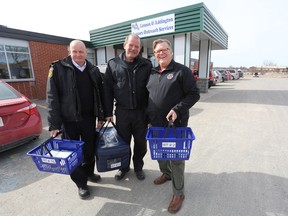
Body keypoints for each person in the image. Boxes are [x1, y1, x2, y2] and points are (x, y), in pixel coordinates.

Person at [146, 38, 200, 213]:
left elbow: (194, 94)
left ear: (171, 51)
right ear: (154, 54)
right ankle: (166, 173)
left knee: (176, 157)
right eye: (157, 51)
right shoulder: (152, 72)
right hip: (156, 123)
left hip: (176, 124)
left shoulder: (181, 71)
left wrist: (177, 109)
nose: (161, 53)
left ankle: (178, 193)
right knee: (160, 153)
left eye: (164, 50)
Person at [46, 39, 105, 199]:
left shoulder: (93, 70)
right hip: (68, 120)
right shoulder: (58, 68)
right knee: (72, 154)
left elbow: (99, 94)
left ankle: (89, 173)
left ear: (86, 53)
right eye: (75, 51)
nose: (78, 54)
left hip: (88, 118)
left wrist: (100, 115)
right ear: (69, 52)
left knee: (89, 149)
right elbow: (52, 97)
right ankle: (81, 184)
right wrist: (54, 124)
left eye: (81, 51)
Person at [103, 33, 152, 181]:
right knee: (123, 143)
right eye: (131, 45)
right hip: (122, 112)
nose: (133, 48)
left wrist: (151, 115)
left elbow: (151, 91)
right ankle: (123, 167)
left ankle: (138, 167)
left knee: (141, 144)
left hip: (141, 113)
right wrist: (107, 112)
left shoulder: (146, 64)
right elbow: (107, 90)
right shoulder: (113, 64)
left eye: (137, 46)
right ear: (124, 45)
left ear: (140, 49)